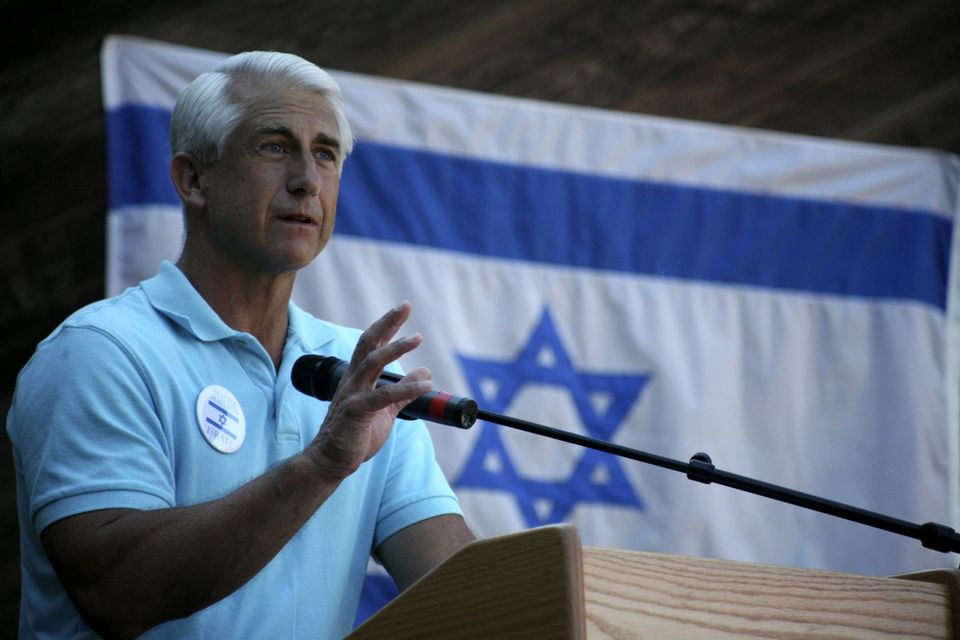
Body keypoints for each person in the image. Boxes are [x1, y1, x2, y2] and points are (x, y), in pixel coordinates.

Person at [7, 50, 475, 639]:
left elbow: (467, 593)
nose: (307, 179)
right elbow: (116, 591)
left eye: (325, 154)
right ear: (192, 179)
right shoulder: (100, 351)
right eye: (275, 146)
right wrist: (321, 465)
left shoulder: (362, 374)